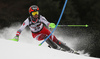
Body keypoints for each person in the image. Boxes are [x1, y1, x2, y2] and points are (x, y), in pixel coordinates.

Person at [10, 5, 77, 53]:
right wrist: (17, 36)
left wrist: (51, 25)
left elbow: (47, 23)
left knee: (55, 39)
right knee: (45, 37)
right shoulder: (27, 21)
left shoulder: (41, 17)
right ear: (30, 14)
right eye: (34, 13)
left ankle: (70, 50)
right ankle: (57, 49)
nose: (36, 15)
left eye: (37, 13)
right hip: (36, 34)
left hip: (44, 30)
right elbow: (20, 29)